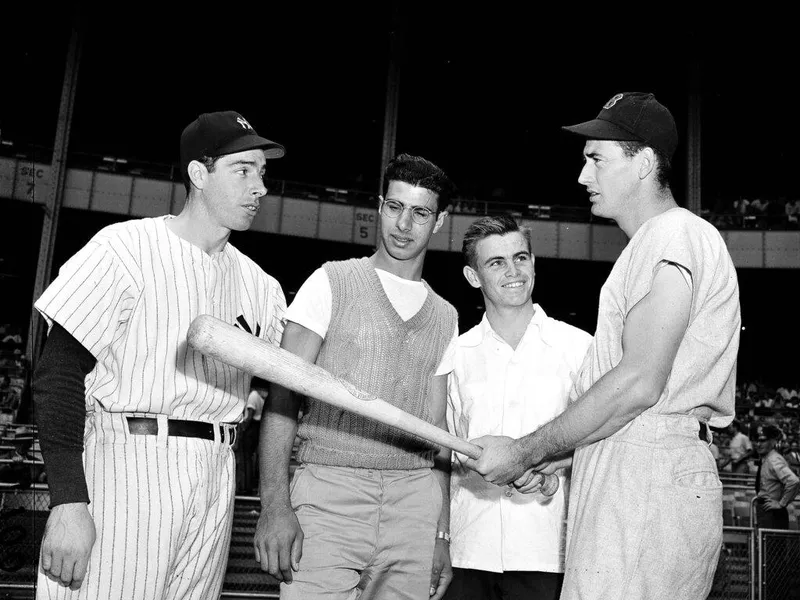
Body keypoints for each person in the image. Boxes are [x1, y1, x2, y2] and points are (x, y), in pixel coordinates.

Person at [463, 92, 741, 599]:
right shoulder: (653, 244)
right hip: (632, 468)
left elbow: (639, 382)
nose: (582, 176)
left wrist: (525, 451)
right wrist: (559, 461)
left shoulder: (673, 233)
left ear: (644, 163)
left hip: (648, 478)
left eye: (596, 160)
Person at [32, 110, 287, 599]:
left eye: (262, 173)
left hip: (218, 470)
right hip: (130, 463)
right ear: (198, 173)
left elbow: (287, 386)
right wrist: (68, 501)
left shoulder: (261, 286)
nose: (260, 188)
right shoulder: (124, 248)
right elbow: (58, 375)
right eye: (243, 170)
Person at [254, 153, 458, 600]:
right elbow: (282, 400)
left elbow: (437, 429)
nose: (403, 224)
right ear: (380, 205)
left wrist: (441, 533)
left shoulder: (445, 316)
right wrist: (274, 505)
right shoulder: (330, 282)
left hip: (414, 502)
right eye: (394, 207)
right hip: (329, 491)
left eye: (420, 212)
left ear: (440, 221)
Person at [442, 216, 592, 600]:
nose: (514, 271)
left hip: (548, 554)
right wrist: (439, 537)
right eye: (496, 262)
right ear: (473, 276)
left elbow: (601, 442)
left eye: (521, 257)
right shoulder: (455, 355)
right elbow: (443, 458)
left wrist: (553, 466)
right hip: (468, 549)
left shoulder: (579, 348)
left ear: (534, 264)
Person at [754, 424, 800, 529]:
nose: (758, 444)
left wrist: (781, 504)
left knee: (770, 543)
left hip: (772, 512)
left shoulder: (774, 459)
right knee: (765, 543)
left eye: (763, 441)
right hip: (766, 509)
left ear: (773, 442)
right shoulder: (766, 458)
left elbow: (794, 481)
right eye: (757, 441)